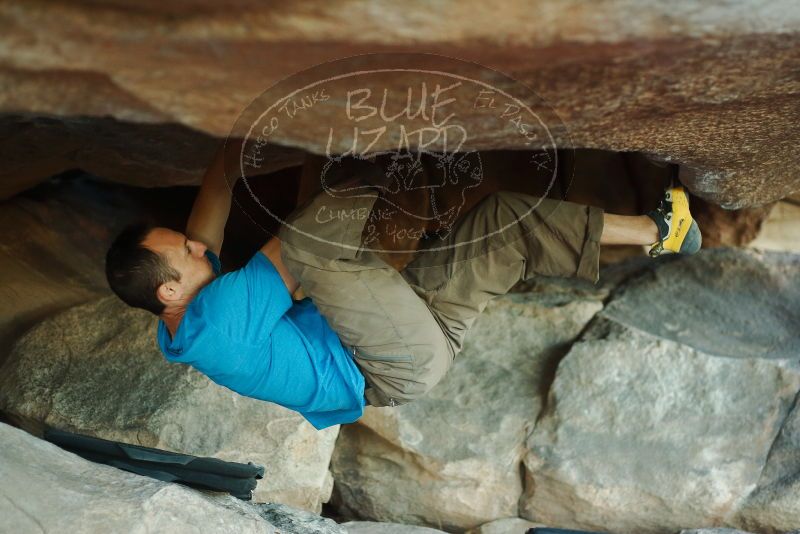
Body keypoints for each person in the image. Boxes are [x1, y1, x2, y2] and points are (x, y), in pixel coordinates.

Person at [105, 145, 701, 430]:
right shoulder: (223, 322)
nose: (193, 244)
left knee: (499, 223)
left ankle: (660, 232)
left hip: (414, 326)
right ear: (169, 290)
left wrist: (226, 156)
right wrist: (367, 157)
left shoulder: (180, 322)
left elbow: (217, 194)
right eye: (182, 251)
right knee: (313, 243)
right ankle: (391, 160)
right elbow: (298, 248)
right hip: (392, 360)